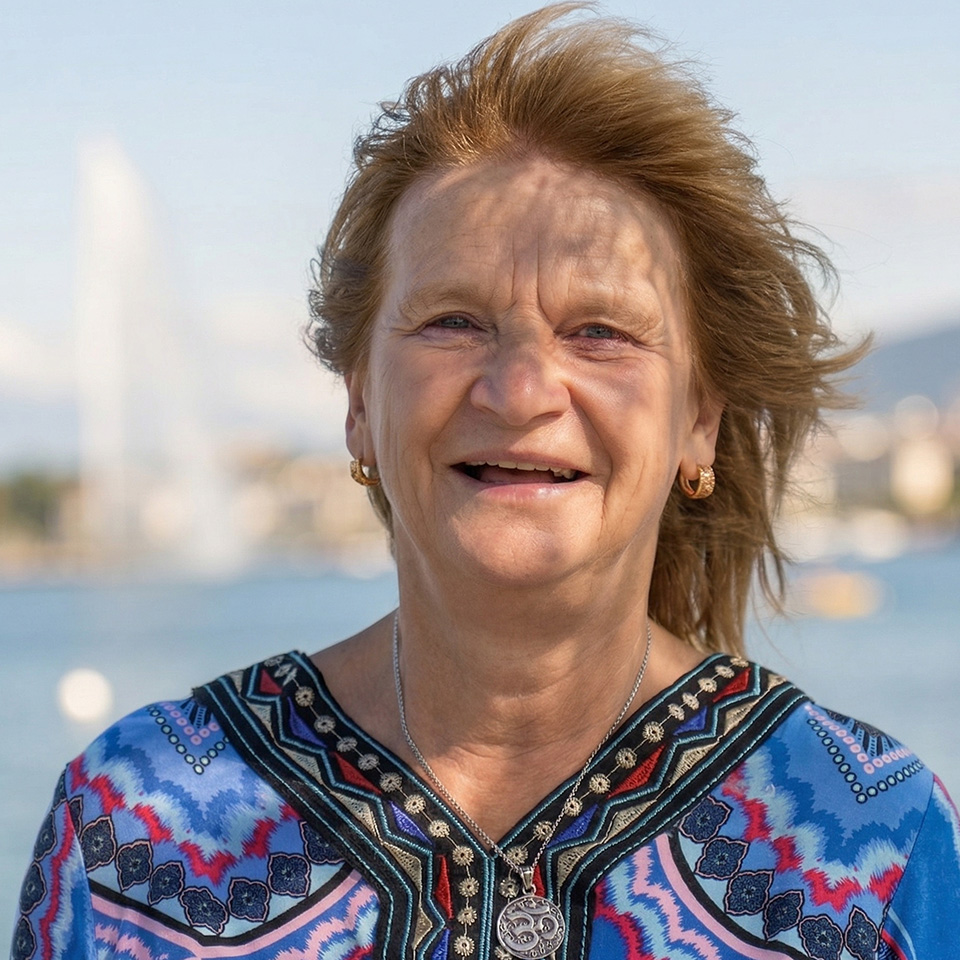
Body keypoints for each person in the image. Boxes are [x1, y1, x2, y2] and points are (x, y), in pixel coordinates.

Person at [13, 6, 960, 959]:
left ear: (698, 420)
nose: (520, 391)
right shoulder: (128, 826)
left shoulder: (877, 845)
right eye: (454, 322)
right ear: (359, 400)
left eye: (600, 332)